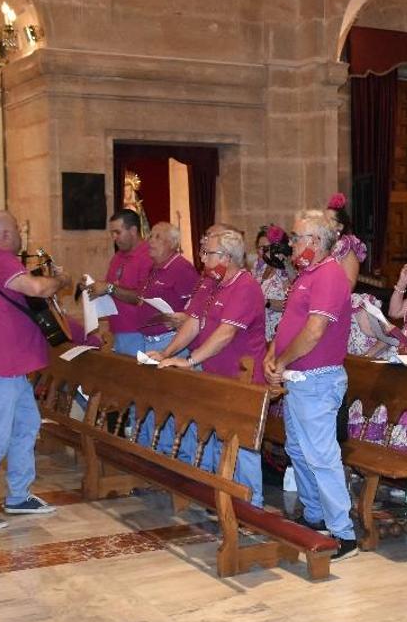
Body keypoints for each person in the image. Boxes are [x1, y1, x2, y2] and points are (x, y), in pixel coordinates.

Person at [0, 210, 69, 530]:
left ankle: (18, 495)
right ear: (5, 234)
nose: (21, 234)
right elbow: (36, 288)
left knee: (27, 423)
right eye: (17, 229)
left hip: (8, 366)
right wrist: (61, 279)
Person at [264, 210, 358, 561]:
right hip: (297, 379)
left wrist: (284, 361)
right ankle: (315, 515)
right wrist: (272, 357)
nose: (291, 243)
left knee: (321, 455)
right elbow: (290, 323)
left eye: (296, 237)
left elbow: (315, 331)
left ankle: (343, 533)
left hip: (318, 380)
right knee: (299, 451)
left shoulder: (330, 276)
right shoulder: (306, 275)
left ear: (316, 242)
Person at [150, 229, 267, 505]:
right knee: (215, 438)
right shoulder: (210, 283)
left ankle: (253, 508)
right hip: (215, 375)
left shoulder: (245, 286)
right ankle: (223, 499)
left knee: (243, 444)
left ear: (227, 257)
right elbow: (193, 323)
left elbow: (225, 334)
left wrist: (189, 361)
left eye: (209, 254)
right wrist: (166, 353)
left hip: (243, 378)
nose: (203, 260)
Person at [86, 209, 153, 355]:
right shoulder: (118, 257)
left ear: (133, 230)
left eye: (117, 232)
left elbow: (142, 297)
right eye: (112, 233)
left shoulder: (148, 256)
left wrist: (108, 288)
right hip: (118, 331)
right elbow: (111, 287)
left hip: (139, 332)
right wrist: (93, 288)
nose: (114, 237)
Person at [128, 222, 199, 355]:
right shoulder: (153, 268)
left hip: (171, 340)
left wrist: (185, 316)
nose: (151, 241)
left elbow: (198, 302)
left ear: (172, 244)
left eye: (158, 237)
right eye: (150, 236)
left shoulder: (181, 268)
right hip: (148, 340)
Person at [254, 225, 293, 340]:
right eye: (260, 247)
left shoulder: (285, 271)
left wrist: (266, 302)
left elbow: (291, 304)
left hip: (277, 333)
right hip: (260, 332)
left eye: (267, 247)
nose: (263, 251)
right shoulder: (259, 269)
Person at [326, 192, 366, 291]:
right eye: (323, 219)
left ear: (340, 226)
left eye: (329, 220)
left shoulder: (346, 249)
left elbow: (350, 285)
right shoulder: (323, 247)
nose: (324, 223)